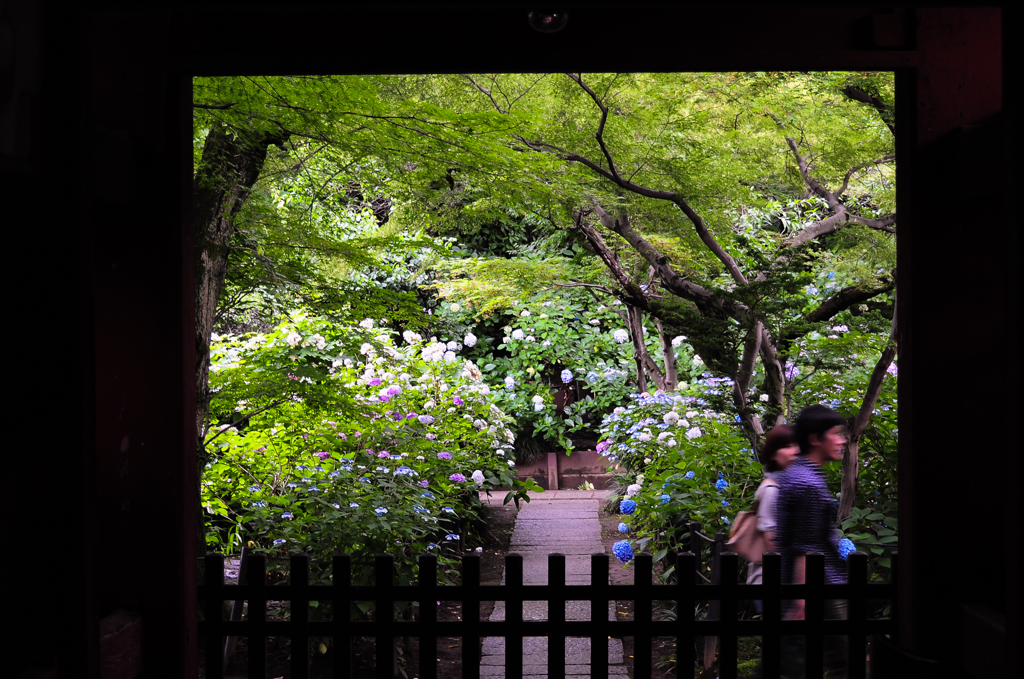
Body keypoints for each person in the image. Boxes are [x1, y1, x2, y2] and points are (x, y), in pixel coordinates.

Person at [777, 404, 849, 679]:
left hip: (810, 586)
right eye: (836, 433)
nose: (842, 440)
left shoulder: (794, 475)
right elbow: (806, 548)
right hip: (821, 587)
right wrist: (802, 601)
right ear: (815, 439)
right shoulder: (808, 484)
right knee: (842, 662)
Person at [746, 424, 800, 609]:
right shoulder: (772, 490)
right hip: (771, 582)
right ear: (773, 454)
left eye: (796, 445)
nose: (795, 451)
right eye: (788, 446)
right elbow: (772, 543)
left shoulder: (786, 486)